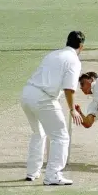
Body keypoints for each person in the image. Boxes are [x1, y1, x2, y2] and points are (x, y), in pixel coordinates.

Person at [20, 31, 85, 185]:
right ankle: (53, 175)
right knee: (61, 136)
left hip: (27, 93)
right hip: (44, 99)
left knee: (38, 132)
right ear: (81, 46)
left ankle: (32, 172)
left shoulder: (53, 54)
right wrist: (72, 109)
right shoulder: (74, 60)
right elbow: (69, 88)